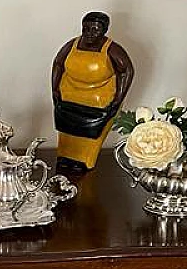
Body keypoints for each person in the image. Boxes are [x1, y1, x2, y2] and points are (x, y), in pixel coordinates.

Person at [50, 11, 135, 173]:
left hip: (98, 103)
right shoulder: (72, 44)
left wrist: (118, 98)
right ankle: (65, 156)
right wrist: (54, 88)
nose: (89, 33)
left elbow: (126, 71)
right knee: (67, 131)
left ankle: (84, 160)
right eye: (86, 28)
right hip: (68, 99)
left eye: (95, 30)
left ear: (104, 31)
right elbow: (58, 63)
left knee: (90, 136)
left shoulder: (112, 49)